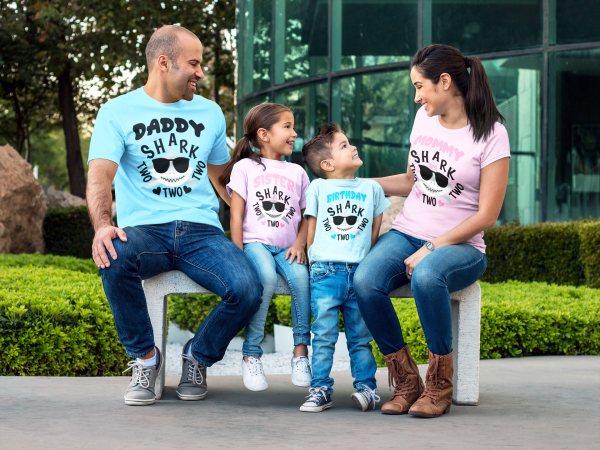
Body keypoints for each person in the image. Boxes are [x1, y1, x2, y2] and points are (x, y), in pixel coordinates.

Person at [86, 25, 262, 406]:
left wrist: (267, 220)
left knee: (247, 288)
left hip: (202, 233)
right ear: (164, 63)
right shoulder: (116, 111)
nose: (200, 73)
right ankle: (146, 360)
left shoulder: (209, 112)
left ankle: (197, 355)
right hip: (145, 232)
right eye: (194, 63)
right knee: (113, 255)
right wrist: (102, 227)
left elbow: (222, 180)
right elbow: (100, 175)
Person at [354, 44, 511, 418]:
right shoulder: (424, 120)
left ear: (444, 82)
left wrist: (433, 246)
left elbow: (488, 214)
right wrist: (358, 183)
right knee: (365, 281)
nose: (416, 97)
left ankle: (439, 383)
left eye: (420, 86)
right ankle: (408, 381)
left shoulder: (492, 134)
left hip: (462, 246)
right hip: (407, 230)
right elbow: (412, 181)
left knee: (427, 275)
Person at [220, 103, 312, 392]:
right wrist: (238, 254)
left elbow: (308, 215)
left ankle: (300, 354)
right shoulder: (245, 168)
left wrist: (300, 244)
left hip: (288, 248)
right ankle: (251, 355)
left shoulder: (298, 172)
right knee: (267, 279)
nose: (294, 133)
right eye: (287, 126)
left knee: (301, 279)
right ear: (264, 134)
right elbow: (235, 215)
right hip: (255, 244)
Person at [300, 123, 391, 412]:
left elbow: (375, 231)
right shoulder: (318, 187)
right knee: (323, 334)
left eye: (349, 142)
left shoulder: (372, 188)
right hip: (325, 272)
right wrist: (314, 260)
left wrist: (363, 260)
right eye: (343, 145)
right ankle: (320, 389)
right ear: (327, 164)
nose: (352, 147)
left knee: (360, 337)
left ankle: (367, 388)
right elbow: (311, 230)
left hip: (360, 273)